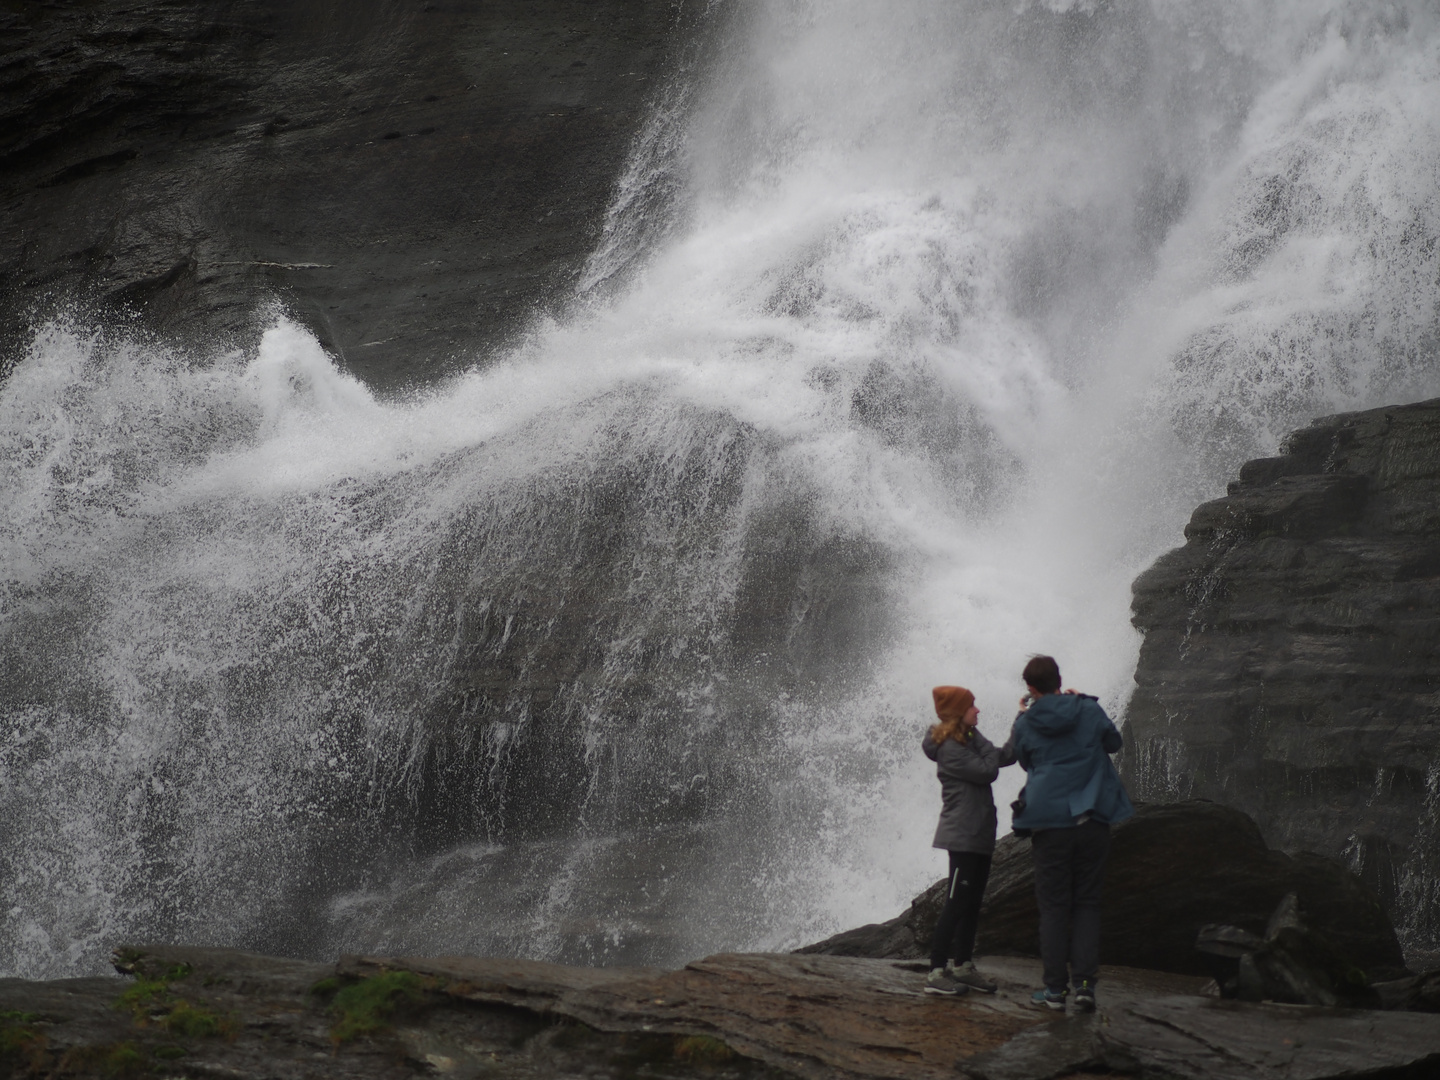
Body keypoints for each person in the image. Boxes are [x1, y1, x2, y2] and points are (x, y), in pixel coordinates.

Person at [1009, 655, 1133, 1012]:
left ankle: (1054, 990)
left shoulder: (1027, 721)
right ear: (1059, 681)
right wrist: (1078, 704)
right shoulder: (1088, 709)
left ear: (1031, 689)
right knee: (1088, 903)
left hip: (1049, 823)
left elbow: (1025, 759)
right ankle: (1084, 988)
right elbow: (1113, 743)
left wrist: (1022, 716)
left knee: (1053, 908)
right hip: (1091, 818)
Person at [921, 685, 1015, 996]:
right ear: (958, 713)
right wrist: (987, 748)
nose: (978, 710)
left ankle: (962, 965)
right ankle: (936, 971)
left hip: (979, 834)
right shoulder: (950, 748)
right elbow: (989, 769)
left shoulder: (970, 739)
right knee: (955, 903)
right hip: (962, 837)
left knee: (973, 902)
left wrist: (1022, 723)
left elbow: (1003, 757)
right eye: (972, 707)